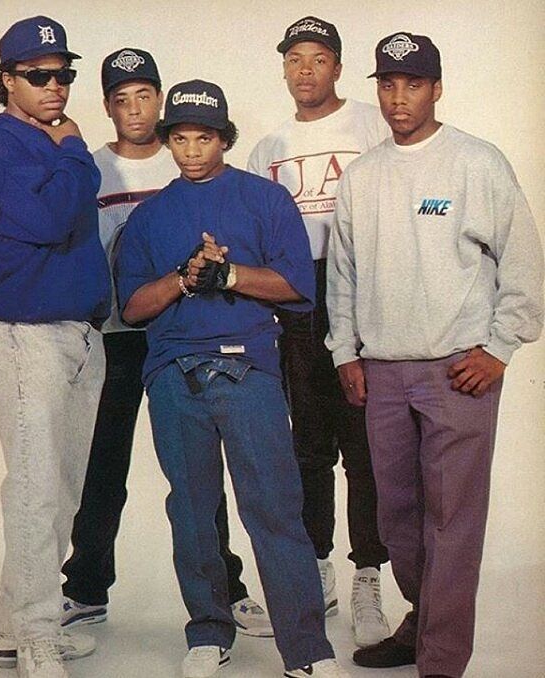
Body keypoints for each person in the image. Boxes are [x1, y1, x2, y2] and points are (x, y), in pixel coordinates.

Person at [326, 31, 544, 678]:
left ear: (437, 87)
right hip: (383, 372)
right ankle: (425, 622)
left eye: (413, 84)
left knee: (452, 523)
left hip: (458, 371)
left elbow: (526, 267)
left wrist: (501, 348)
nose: (399, 99)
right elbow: (343, 275)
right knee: (398, 522)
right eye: (388, 85)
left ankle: (440, 662)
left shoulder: (475, 163)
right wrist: (345, 352)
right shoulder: (363, 178)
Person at [116, 79, 350, 678]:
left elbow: (298, 287)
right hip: (174, 374)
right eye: (182, 138)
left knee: (274, 507)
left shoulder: (265, 201)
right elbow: (133, 307)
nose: (193, 150)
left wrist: (229, 275)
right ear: (169, 141)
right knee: (192, 510)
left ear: (224, 138)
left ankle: (307, 649)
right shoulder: (150, 216)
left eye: (205, 137)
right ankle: (209, 631)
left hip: (249, 366)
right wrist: (185, 278)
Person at [60, 48, 271, 639]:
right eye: (120, 99)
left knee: (204, 468)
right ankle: (85, 589)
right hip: (115, 338)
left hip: (186, 335)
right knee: (104, 467)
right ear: (106, 106)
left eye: (144, 96)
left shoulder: (187, 163)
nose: (134, 110)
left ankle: (227, 588)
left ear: (161, 98)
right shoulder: (92, 167)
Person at [0, 16, 111, 678]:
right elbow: (53, 220)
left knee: (63, 491)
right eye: (39, 76)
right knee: (35, 489)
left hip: (78, 330)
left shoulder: (49, 148)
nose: (56, 88)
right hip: (25, 334)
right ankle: (35, 634)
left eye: (64, 75)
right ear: (7, 80)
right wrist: (74, 148)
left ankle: (6, 627)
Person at [247, 15, 390, 647]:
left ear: (337, 65)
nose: (306, 71)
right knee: (307, 443)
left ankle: (369, 578)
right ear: (284, 68)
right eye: (294, 59)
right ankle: (318, 567)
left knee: (364, 443)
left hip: (364, 287)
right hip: (297, 296)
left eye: (319, 58)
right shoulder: (267, 147)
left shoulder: (370, 122)